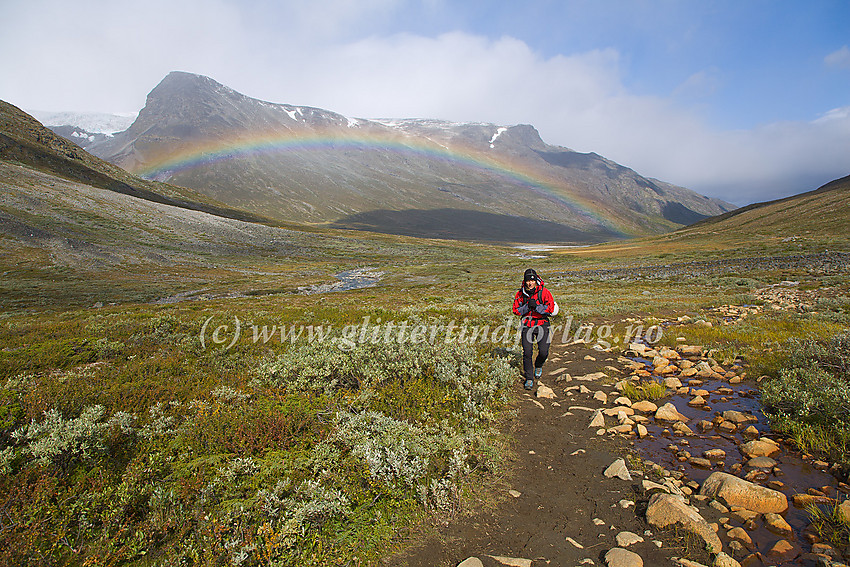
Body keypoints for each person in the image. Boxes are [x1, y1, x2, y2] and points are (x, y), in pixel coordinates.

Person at [512, 268, 555, 390]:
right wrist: (526, 307)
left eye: (532, 280)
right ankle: (529, 378)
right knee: (527, 352)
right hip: (527, 325)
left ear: (536, 280)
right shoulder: (520, 294)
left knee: (544, 351)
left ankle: (539, 364)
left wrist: (537, 307)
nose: (530, 283)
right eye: (527, 281)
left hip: (542, 324)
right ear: (524, 281)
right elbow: (515, 310)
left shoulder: (544, 292)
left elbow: (550, 308)